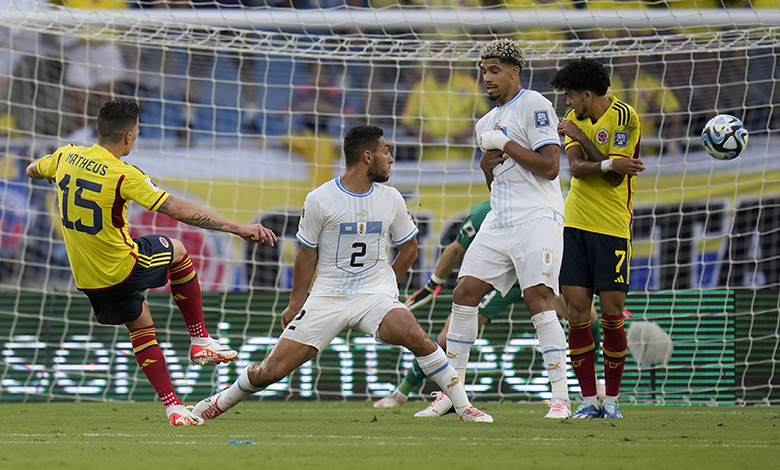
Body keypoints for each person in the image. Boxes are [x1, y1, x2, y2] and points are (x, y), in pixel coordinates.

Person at [192, 125, 493, 423]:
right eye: (385, 151)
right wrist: (295, 304)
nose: (391, 158)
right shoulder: (320, 199)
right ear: (367, 157)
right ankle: (219, 401)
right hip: (328, 297)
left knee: (415, 335)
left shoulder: (391, 198)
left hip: (374, 296)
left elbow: (409, 248)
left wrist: (387, 284)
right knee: (269, 372)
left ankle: (465, 408)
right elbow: (306, 255)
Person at [25, 99, 278, 426]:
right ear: (129, 136)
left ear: (98, 128)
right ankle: (200, 340)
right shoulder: (123, 174)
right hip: (122, 267)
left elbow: (33, 169)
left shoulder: (64, 156)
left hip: (89, 280)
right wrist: (235, 227)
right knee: (178, 250)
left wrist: (49, 175)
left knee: (141, 324)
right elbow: (176, 209)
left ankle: (174, 408)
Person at [414, 38, 572, 420]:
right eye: (484, 71)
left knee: (538, 298)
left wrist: (507, 143)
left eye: (495, 70)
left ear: (515, 72)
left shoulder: (535, 104)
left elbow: (551, 167)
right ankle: (453, 393)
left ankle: (561, 399)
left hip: (538, 215)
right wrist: (487, 167)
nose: (487, 77)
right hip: (500, 218)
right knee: (464, 292)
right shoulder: (484, 123)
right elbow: (498, 182)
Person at [374, 200, 604, 411]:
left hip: (534, 274)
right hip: (502, 281)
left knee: (586, 316)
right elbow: (455, 250)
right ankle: (402, 392)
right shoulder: (486, 212)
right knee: (447, 334)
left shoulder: (546, 207)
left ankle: (589, 380)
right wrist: (432, 284)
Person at [551, 57, 645, 419]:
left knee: (611, 314)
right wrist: (605, 160)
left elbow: (615, 178)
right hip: (574, 224)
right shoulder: (572, 118)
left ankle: (612, 401)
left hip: (612, 227)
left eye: (571, 95)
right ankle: (589, 400)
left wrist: (587, 144)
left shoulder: (624, 116)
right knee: (577, 314)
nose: (568, 102)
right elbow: (577, 168)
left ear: (587, 95)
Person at [401, 49, 489, 162]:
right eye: (439, 60)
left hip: (464, 159)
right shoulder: (420, 87)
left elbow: (484, 116)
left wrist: (469, 131)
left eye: (446, 60)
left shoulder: (469, 84)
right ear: (431, 63)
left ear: (454, 62)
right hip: (428, 159)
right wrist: (420, 133)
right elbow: (407, 121)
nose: (442, 64)